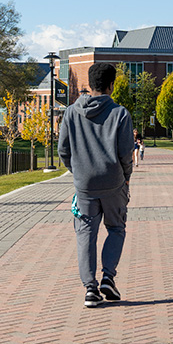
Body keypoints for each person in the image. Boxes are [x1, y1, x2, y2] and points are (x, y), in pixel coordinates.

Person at [58, 63, 135, 308]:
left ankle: (90, 288)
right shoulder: (120, 113)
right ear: (112, 84)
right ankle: (108, 277)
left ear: (90, 84)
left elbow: (63, 150)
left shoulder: (71, 112)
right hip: (114, 183)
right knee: (116, 229)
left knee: (86, 234)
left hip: (85, 186)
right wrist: (125, 178)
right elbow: (126, 154)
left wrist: (78, 171)